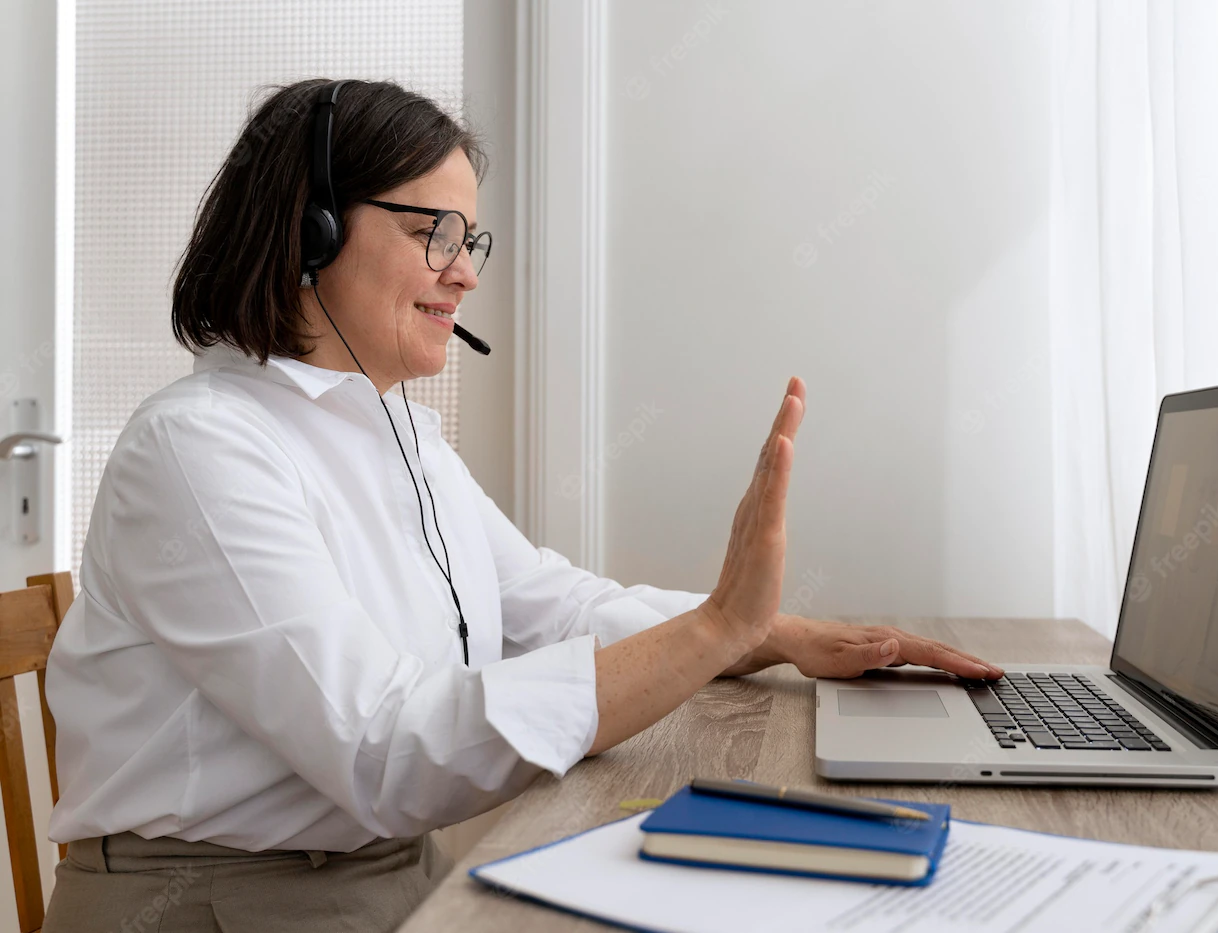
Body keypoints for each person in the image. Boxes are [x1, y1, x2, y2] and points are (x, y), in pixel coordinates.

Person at [41, 78, 1002, 932]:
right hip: (223, 902)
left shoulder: (397, 433)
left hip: (384, 874)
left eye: (472, 240)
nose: (465, 272)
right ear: (313, 231)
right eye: (435, 234)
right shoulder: (199, 448)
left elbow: (551, 603)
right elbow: (384, 751)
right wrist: (714, 630)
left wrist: (779, 634)